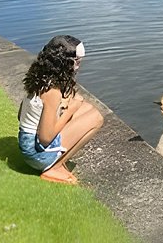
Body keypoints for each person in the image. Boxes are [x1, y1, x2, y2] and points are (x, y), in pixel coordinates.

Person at [17, 35, 104, 184]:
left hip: (28, 144)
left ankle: (55, 163)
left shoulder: (39, 78)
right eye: (77, 62)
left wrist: (65, 106)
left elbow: (21, 115)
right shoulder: (52, 91)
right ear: (66, 63)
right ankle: (53, 168)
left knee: (86, 108)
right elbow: (45, 138)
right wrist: (70, 110)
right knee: (96, 118)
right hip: (37, 155)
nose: (78, 66)